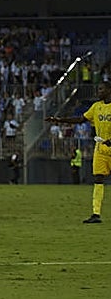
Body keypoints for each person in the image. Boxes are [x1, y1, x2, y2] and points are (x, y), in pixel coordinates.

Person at [48, 81, 111, 222]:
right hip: (101, 150)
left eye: (101, 89)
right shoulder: (96, 107)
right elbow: (80, 119)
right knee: (98, 179)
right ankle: (96, 214)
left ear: (109, 90)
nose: (99, 91)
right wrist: (59, 120)